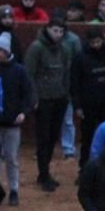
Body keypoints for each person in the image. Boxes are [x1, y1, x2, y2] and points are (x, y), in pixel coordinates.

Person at [25, 18, 75, 192]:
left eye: (61, 32)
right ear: (47, 29)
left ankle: (45, 172)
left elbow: (66, 73)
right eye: (55, 31)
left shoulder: (65, 49)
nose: (58, 35)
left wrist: (66, 94)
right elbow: (29, 75)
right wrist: (34, 98)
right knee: (43, 137)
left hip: (59, 98)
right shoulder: (36, 48)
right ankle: (43, 173)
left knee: (53, 136)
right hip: (43, 99)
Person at [0, 38, 31, 207]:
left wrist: (23, 112)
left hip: (12, 122)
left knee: (12, 158)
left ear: (6, 51)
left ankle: (14, 190)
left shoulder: (19, 71)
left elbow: (27, 94)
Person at [72, 27, 105, 169]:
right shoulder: (80, 57)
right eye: (93, 42)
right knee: (87, 138)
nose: (96, 45)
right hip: (88, 104)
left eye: (98, 42)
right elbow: (74, 82)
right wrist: (77, 105)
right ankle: (84, 168)